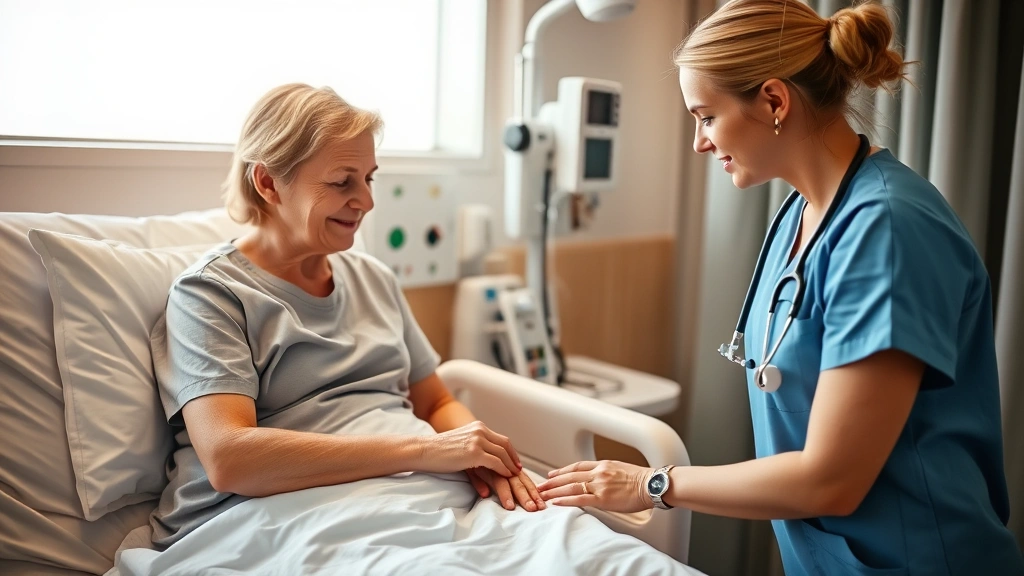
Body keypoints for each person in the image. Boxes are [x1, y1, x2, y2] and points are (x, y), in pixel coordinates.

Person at [538, 1, 1024, 573]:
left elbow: (832, 480)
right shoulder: (798, 216)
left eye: (706, 116)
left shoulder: (888, 231)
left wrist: (652, 483)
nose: (698, 142)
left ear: (774, 100)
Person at [149, 83, 544, 547]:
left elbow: (435, 403)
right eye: (342, 181)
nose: (367, 201)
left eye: (368, 178)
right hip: (286, 518)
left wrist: (480, 454)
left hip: (418, 495)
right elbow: (229, 458)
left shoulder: (373, 278)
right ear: (269, 182)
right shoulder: (212, 295)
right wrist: (428, 450)